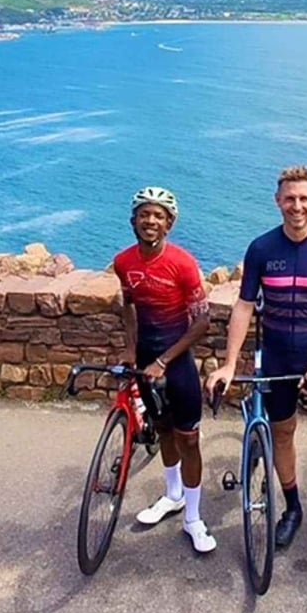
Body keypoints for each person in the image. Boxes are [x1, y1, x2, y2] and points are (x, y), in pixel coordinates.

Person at [205, 165, 307, 566]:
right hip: (278, 356)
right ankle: (293, 508)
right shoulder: (262, 249)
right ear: (277, 201)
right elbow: (245, 306)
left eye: (304, 198)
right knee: (283, 435)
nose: (296, 206)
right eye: (289, 198)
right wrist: (230, 364)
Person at [108, 185, 216, 555]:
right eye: (144, 214)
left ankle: (194, 519)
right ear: (133, 220)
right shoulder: (124, 262)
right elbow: (128, 306)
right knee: (164, 430)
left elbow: (203, 322)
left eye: (158, 216)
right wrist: (129, 349)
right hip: (145, 359)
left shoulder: (183, 263)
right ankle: (173, 496)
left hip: (175, 362)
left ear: (169, 224)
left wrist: (162, 361)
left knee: (188, 439)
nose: (150, 221)